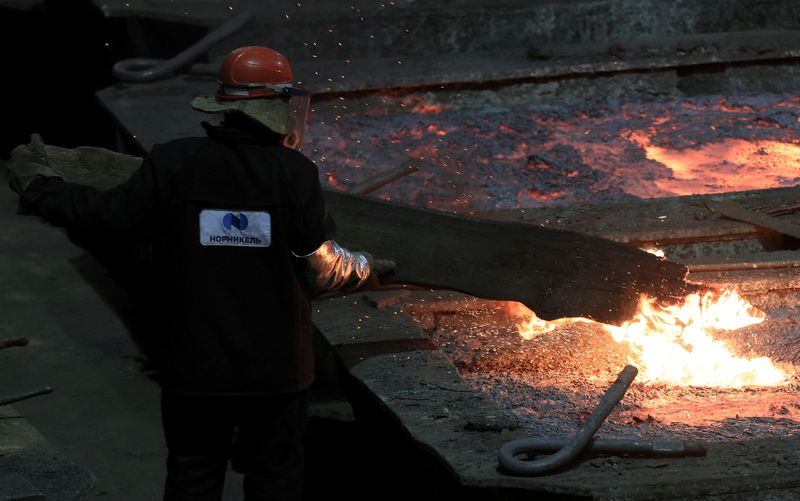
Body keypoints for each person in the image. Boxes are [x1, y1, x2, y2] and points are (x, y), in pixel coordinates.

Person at [6, 45, 394, 501]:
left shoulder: (174, 163)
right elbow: (320, 271)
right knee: (275, 479)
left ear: (224, 106)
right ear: (279, 108)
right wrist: (366, 268)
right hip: (276, 372)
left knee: (193, 474)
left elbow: (103, 215)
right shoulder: (294, 174)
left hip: (194, 367)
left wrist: (40, 185)